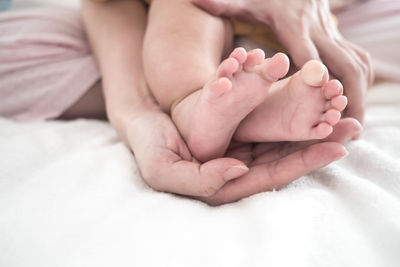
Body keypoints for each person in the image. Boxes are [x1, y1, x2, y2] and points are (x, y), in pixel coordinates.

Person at [0, 1, 362, 206]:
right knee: (185, 23)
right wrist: (136, 110)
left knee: (304, 67)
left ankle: (238, 105)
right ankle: (217, 105)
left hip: (290, 21)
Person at [142, 0, 348, 162]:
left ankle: (237, 112)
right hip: (274, 37)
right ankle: (197, 103)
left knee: (316, 84)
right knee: (184, 11)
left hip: (286, 28)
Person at [192, 0, 374, 126]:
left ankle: (260, 119)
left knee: (322, 92)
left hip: (299, 44)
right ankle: (188, 102)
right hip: (229, 17)